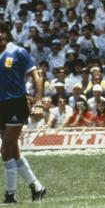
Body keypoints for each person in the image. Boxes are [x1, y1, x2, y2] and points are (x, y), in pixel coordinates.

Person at [0, 23, 47, 203]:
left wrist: (39, 102)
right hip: (1, 105)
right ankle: (37, 187)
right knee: (14, 151)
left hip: (16, 105)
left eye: (3, 32)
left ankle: (10, 195)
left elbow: (37, 76)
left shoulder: (18, 52)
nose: (0, 35)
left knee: (5, 149)